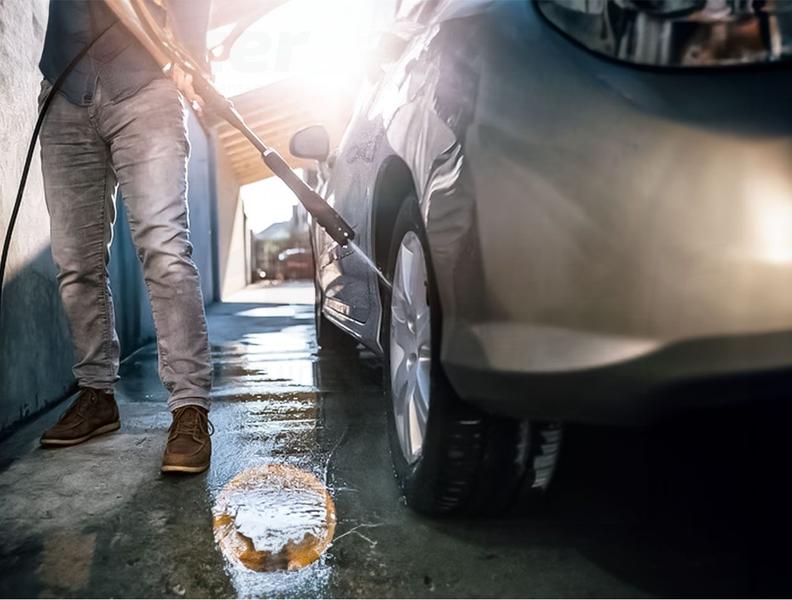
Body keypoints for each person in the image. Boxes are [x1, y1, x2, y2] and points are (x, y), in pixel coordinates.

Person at [37, 0, 214, 475]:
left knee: (165, 249)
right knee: (75, 261)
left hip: (146, 85)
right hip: (65, 89)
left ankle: (189, 408)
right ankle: (96, 396)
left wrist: (193, 55)